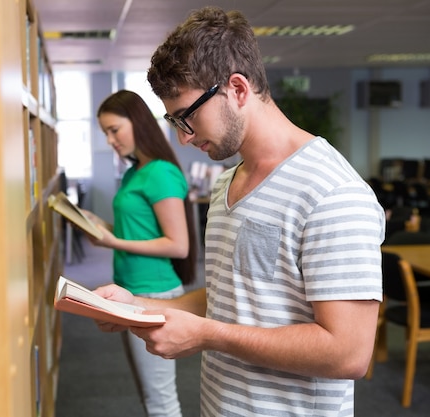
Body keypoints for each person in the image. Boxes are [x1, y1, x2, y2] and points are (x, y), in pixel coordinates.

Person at [93, 6, 386, 417]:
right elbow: (231, 300)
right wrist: (136, 308)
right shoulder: (224, 185)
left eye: (188, 117)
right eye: (173, 121)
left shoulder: (332, 192)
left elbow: (348, 353)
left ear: (237, 89)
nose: (182, 138)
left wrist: (209, 336)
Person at [84, 89, 198, 417]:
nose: (110, 140)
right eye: (105, 133)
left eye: (114, 130)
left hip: (154, 291)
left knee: (160, 400)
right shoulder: (135, 171)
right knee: (149, 396)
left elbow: (178, 244)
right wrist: (97, 224)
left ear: (137, 123)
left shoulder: (160, 172)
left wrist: (113, 242)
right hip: (131, 291)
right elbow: (137, 230)